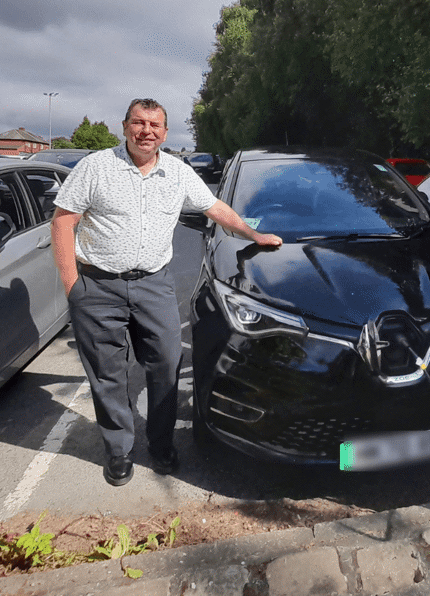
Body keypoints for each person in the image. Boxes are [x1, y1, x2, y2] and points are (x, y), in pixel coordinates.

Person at [51, 98, 282, 486]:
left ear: (165, 133)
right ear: (124, 126)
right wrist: (74, 287)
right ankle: (119, 451)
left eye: (155, 125)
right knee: (107, 375)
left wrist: (254, 234)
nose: (147, 131)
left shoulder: (177, 172)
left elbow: (215, 209)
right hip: (98, 287)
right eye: (139, 123)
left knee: (166, 365)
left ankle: (160, 445)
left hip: (154, 285)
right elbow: (63, 224)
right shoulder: (96, 167)